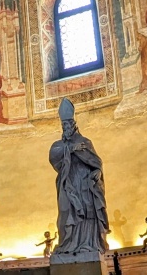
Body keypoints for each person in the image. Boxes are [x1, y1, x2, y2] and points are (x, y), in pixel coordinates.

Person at [48, 98, 109, 259]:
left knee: (88, 211)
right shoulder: (58, 145)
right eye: (63, 126)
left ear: (74, 126)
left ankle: (88, 243)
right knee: (67, 210)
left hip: (84, 183)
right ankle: (67, 243)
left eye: (68, 125)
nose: (65, 128)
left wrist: (97, 171)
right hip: (69, 183)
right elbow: (54, 157)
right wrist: (70, 149)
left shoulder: (85, 142)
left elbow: (96, 162)